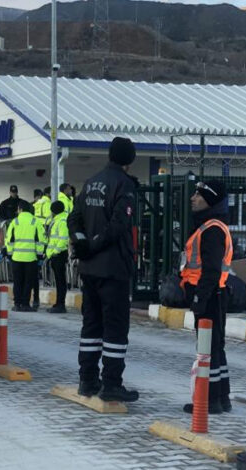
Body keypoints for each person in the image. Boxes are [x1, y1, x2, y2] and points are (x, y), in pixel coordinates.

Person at [68, 136, 139, 403]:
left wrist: (83, 243)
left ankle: (87, 380)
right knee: (115, 329)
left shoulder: (91, 182)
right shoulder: (124, 185)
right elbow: (119, 225)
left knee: (91, 325)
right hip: (113, 268)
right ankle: (111, 383)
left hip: (89, 269)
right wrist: (95, 244)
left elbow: (74, 217)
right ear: (129, 160)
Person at [180, 180, 233, 414]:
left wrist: (199, 298)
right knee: (216, 348)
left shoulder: (211, 229)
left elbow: (210, 269)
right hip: (214, 294)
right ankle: (221, 397)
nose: (193, 198)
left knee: (207, 349)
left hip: (209, 296)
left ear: (209, 200)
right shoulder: (211, 226)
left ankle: (209, 401)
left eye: (199, 195)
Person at [3, 200, 47, 312]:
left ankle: (17, 304)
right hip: (31, 258)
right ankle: (26, 304)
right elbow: (41, 240)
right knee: (28, 282)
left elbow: (9, 240)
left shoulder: (15, 222)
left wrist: (9, 254)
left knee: (17, 281)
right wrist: (40, 256)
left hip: (16, 257)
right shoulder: (35, 221)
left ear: (20, 209)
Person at [46, 201, 69, 313]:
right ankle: (58, 303)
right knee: (58, 281)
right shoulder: (58, 220)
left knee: (60, 281)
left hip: (59, 254)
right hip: (55, 254)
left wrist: (55, 251)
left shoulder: (62, 221)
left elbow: (63, 239)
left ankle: (61, 304)